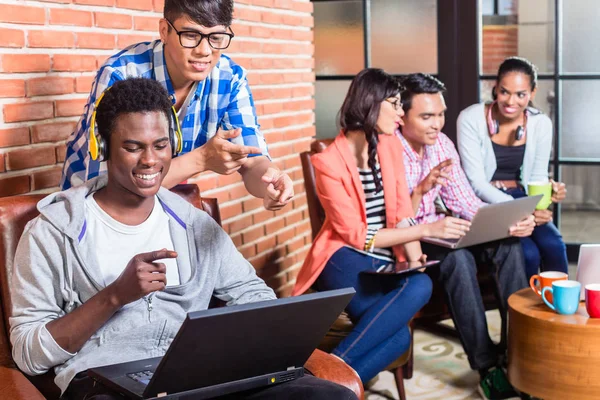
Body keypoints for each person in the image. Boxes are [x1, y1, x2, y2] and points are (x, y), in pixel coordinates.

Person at [9, 78, 357, 400]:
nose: (150, 160)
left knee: (331, 396)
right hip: (104, 381)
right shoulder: (52, 231)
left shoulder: (193, 222)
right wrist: (114, 296)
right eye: (132, 147)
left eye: (160, 145)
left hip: (199, 375)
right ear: (103, 147)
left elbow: (250, 293)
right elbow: (29, 354)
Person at [292, 67, 479, 385]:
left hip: (382, 257)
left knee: (413, 303)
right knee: (398, 333)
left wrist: (415, 255)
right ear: (371, 104)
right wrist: (425, 231)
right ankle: (332, 378)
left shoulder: (389, 146)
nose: (400, 112)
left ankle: (323, 382)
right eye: (394, 103)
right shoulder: (328, 163)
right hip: (342, 257)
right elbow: (357, 235)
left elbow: (401, 210)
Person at [60, 0, 293, 212]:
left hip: (158, 202)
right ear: (164, 31)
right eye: (191, 35)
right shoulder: (122, 74)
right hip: (91, 207)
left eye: (217, 37)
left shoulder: (230, 78)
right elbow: (111, 183)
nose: (205, 51)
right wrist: (201, 159)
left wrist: (271, 183)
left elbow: (252, 160)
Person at [397, 72, 535, 400]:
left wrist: (503, 223)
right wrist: (421, 188)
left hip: (444, 227)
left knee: (509, 244)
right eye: (427, 116)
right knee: (457, 259)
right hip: (412, 236)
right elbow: (395, 218)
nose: (437, 124)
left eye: (441, 114)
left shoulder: (441, 144)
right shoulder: (390, 149)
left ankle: (520, 350)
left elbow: (465, 201)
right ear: (402, 116)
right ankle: (487, 365)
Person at [457, 57, 568, 280]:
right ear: (495, 88)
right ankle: (521, 314)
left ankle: (557, 311)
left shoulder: (541, 123)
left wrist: (544, 198)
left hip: (522, 198)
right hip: (486, 201)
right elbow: (476, 183)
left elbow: (537, 176)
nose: (511, 101)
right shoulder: (470, 119)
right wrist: (519, 210)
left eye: (521, 94)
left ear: (532, 93)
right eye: (504, 92)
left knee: (553, 244)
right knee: (527, 254)